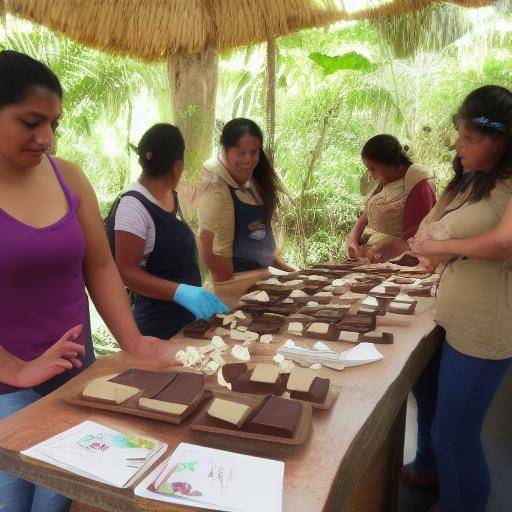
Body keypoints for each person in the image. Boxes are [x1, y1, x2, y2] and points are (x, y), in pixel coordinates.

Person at [0, 50, 174, 512]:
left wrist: (134, 343)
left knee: (61, 503)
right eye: (31, 122)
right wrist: (15, 369)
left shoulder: (68, 177)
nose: (46, 138)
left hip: (76, 379)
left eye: (54, 123)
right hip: (3, 392)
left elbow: (99, 267)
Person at [405, 85, 512, 512]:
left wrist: (438, 249)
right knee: (439, 420)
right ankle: (446, 492)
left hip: (485, 328)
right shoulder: (480, 180)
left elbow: (504, 243)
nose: (458, 144)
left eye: (467, 138)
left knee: (454, 436)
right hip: (455, 318)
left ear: (499, 138)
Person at [108, 124, 228, 339]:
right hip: (156, 328)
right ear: (178, 166)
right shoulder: (133, 206)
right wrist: (180, 292)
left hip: (188, 323)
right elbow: (126, 271)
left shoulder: (172, 196)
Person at [197, 118, 294, 284]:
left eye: (254, 152)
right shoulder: (215, 189)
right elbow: (205, 242)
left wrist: (291, 272)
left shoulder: (254, 178)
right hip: (242, 285)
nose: (248, 160)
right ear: (225, 150)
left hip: (267, 276)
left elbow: (263, 233)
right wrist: (265, 275)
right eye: (241, 153)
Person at [347, 134, 436, 263]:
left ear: (392, 164)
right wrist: (353, 242)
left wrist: (385, 249)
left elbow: (416, 238)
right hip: (374, 257)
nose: (372, 176)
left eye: (373, 169)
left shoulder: (418, 185)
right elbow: (364, 217)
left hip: (404, 261)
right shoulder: (384, 183)